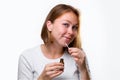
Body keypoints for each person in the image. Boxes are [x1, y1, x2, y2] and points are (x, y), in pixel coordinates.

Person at [18, 4, 91, 80]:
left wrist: (83, 68)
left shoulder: (79, 56)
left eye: (75, 27)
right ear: (50, 26)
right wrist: (42, 78)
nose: (71, 32)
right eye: (66, 24)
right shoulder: (27, 57)